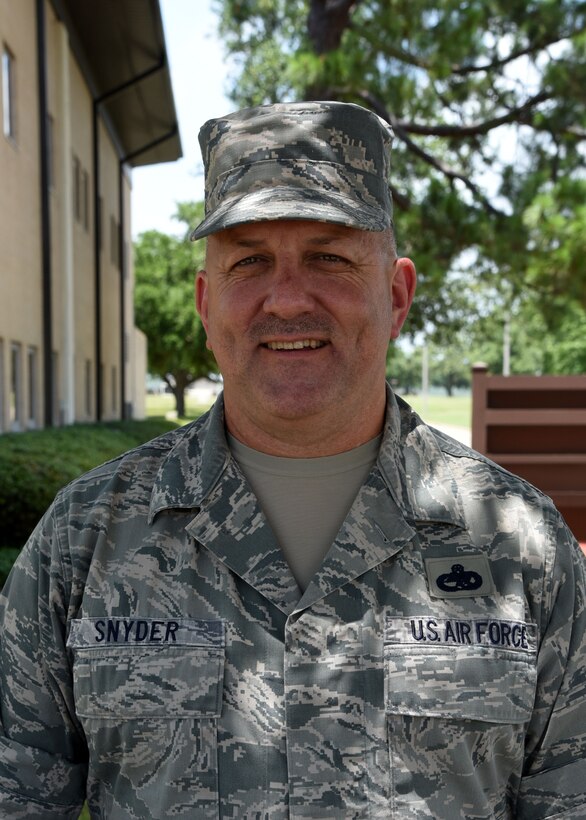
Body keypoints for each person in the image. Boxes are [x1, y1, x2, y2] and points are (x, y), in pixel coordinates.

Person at [1, 101, 585, 819]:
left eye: (329, 257)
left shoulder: (524, 548)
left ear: (396, 295)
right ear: (207, 303)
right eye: (249, 261)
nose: (286, 299)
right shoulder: (85, 539)